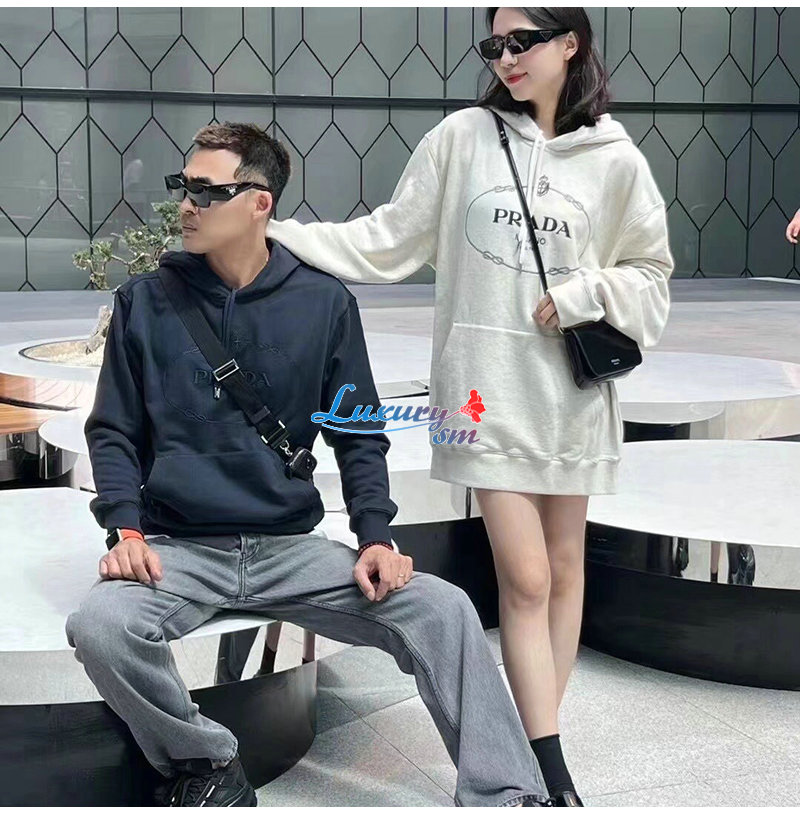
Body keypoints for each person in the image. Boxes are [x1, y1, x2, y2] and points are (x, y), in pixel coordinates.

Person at [64, 122, 551, 808]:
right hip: (179, 548)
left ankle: (507, 793)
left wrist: (376, 536)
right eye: (183, 186)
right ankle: (207, 760)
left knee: (443, 609)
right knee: (101, 626)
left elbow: (359, 434)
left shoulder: (323, 303)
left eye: (207, 190)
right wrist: (126, 529)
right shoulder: (144, 302)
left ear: (259, 203)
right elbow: (113, 430)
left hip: (289, 549)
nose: (187, 204)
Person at [266, 8, 674, 807]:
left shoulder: (617, 159)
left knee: (564, 569)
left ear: (570, 43)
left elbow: (650, 274)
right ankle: (552, 773)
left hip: (570, 397)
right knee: (525, 575)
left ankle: (527, 743)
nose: (505, 57)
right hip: (484, 392)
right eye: (494, 45)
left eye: (522, 41)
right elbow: (391, 236)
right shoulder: (462, 137)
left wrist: (585, 291)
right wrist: (280, 232)